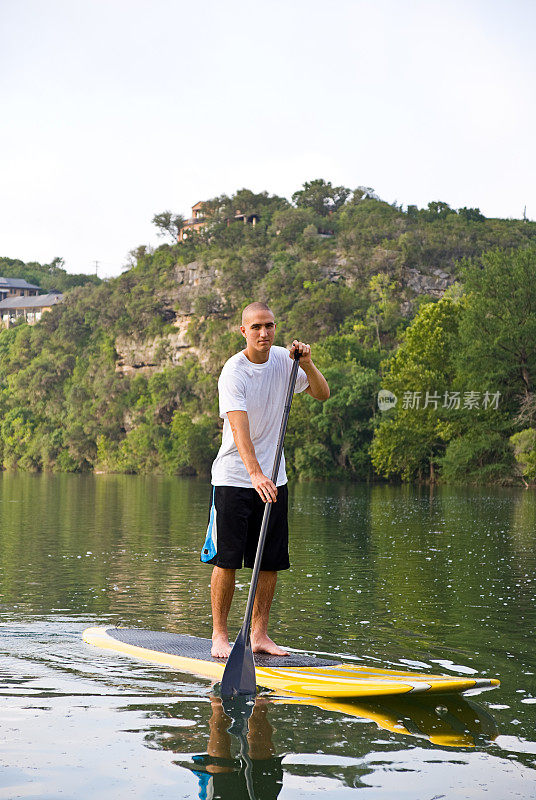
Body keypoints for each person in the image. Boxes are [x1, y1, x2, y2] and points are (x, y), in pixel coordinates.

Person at [201, 302, 330, 658]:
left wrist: (306, 363)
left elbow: (322, 393)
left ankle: (258, 635)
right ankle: (219, 636)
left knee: (270, 561)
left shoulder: (284, 362)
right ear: (244, 331)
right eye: (256, 326)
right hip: (233, 478)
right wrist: (255, 473)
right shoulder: (233, 372)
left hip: (275, 478)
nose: (264, 333)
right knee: (227, 561)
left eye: (269, 326)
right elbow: (239, 429)